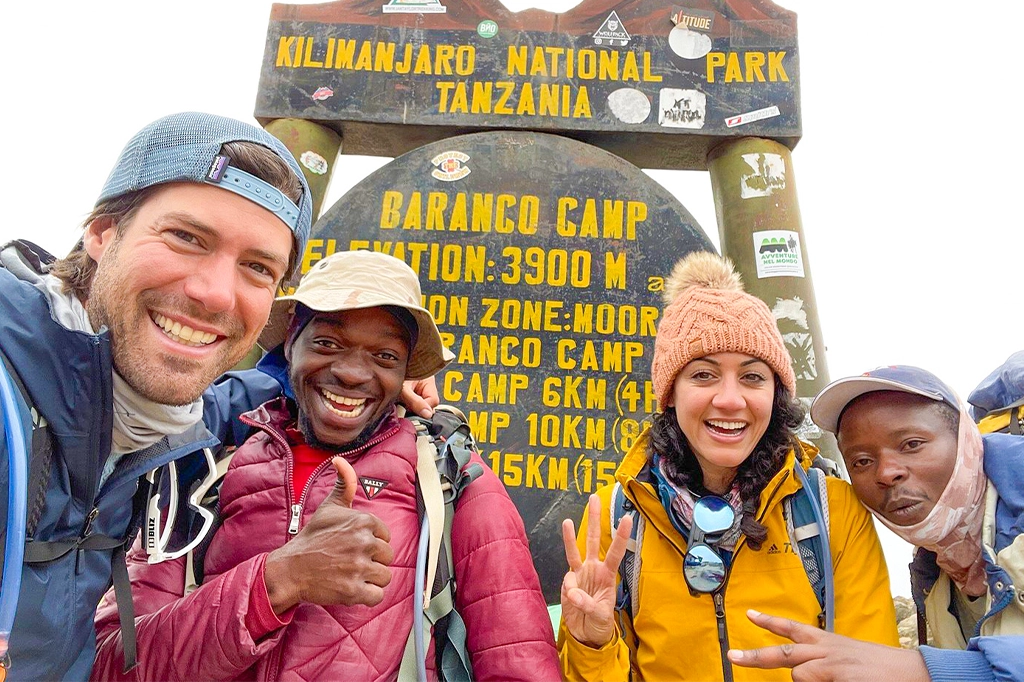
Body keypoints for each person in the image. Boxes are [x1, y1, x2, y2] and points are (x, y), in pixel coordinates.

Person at [89, 250, 561, 681]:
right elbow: (115, 662)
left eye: (384, 356)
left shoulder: (447, 478)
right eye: (329, 343)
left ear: (405, 375)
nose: (353, 373)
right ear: (290, 343)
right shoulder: (206, 473)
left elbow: (518, 664)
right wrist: (277, 581)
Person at [0, 111, 316, 681]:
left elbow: (225, 401)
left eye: (257, 268)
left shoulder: (147, 415)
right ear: (102, 233)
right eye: (186, 237)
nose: (215, 294)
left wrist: (336, 370)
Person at [556, 251, 898, 682]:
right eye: (703, 375)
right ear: (670, 393)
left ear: (776, 395)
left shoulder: (831, 512)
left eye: (753, 377)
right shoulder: (618, 519)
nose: (730, 399)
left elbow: (875, 665)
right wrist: (590, 646)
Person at [728, 362, 1024, 681]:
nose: (885, 473)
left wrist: (931, 671)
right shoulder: (936, 576)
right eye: (862, 461)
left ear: (967, 438)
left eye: (911, 444)